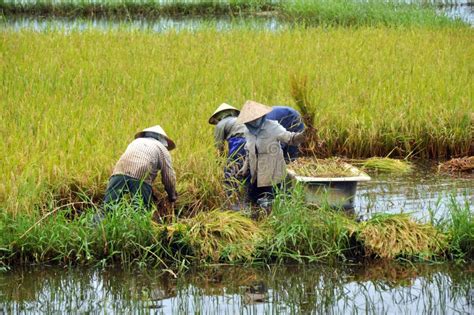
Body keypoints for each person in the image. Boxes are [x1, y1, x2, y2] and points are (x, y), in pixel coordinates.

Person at [237, 101, 305, 205]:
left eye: (255, 119)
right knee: (252, 200)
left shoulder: (273, 127)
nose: (253, 122)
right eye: (250, 120)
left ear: (261, 116)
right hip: (257, 172)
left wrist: (305, 135)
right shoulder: (248, 131)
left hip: (273, 172)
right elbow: (248, 151)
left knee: (271, 200)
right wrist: (245, 167)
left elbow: (291, 138)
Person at [103, 125, 178, 211]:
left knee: (108, 207)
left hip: (118, 172)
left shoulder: (135, 142)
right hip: (140, 176)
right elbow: (168, 176)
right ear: (163, 140)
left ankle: (95, 223)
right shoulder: (161, 148)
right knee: (142, 211)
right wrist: (172, 196)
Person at [208, 103, 248, 205]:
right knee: (248, 171)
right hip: (254, 141)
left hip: (239, 142)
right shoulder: (240, 121)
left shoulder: (221, 124)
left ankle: (230, 200)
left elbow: (218, 146)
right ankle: (249, 200)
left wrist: (219, 163)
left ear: (219, 116)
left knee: (230, 172)